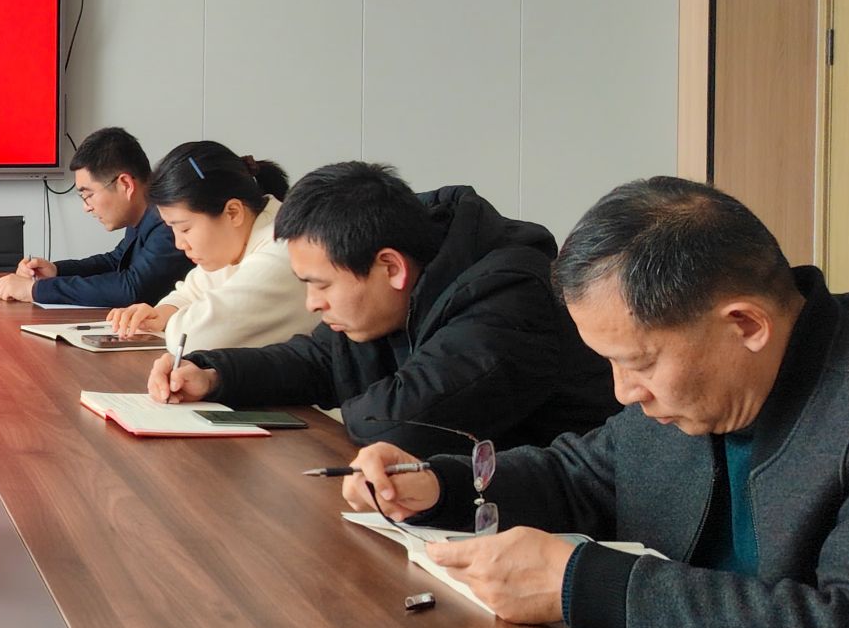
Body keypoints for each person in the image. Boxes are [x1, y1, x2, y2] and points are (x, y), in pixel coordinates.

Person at [345, 178, 849, 628]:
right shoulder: (693, 388)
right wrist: (441, 484)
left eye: (638, 363)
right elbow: (583, 476)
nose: (623, 392)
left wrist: (587, 584)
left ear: (746, 324)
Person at [153, 161, 617, 457]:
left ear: (390, 267)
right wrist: (213, 373)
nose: (312, 303)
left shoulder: (509, 299)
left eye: (320, 285)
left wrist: (348, 396)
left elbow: (398, 424)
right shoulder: (404, 279)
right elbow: (318, 360)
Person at [102, 142, 314, 395]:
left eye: (185, 228)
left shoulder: (282, 248)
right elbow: (189, 291)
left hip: (317, 413)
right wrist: (161, 313)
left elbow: (197, 338)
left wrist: (173, 322)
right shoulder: (240, 238)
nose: (180, 243)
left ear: (232, 212)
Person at [0, 126, 193, 308]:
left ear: (125, 184)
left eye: (88, 195)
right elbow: (115, 261)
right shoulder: (144, 215)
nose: (86, 207)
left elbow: (131, 289)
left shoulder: (168, 222)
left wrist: (34, 290)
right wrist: (56, 271)